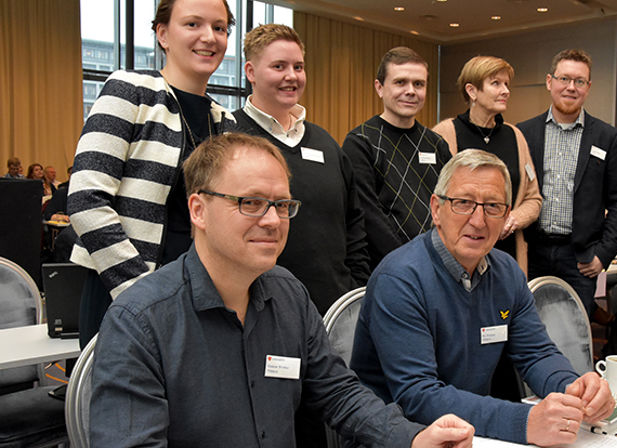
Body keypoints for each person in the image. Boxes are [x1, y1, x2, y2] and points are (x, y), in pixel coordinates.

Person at [89, 132, 475, 448]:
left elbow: (339, 393)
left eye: (282, 204)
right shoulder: (139, 322)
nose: (273, 220)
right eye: (251, 203)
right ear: (198, 210)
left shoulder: (288, 295)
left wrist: (413, 438)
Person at [350, 149, 614, 446]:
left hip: (469, 433)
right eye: (463, 203)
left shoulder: (507, 273)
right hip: (400, 438)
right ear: (436, 209)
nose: (478, 220)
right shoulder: (399, 280)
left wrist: (574, 387)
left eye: (492, 206)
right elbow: (418, 396)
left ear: (505, 217)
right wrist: (524, 422)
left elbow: (536, 353)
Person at [67, 0, 235, 348]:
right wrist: (142, 291)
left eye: (219, 28)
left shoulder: (224, 121)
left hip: (197, 298)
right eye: (193, 24)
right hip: (121, 292)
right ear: (162, 34)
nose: (209, 37)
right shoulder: (130, 92)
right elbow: (86, 199)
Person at [232, 24, 369, 313]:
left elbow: (354, 226)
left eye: (298, 66)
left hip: (331, 310)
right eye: (279, 66)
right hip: (257, 309)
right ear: (250, 72)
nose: (291, 76)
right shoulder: (228, 137)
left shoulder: (326, 144)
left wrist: (355, 291)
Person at [516, 49, 617, 313]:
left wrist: (604, 254)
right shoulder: (523, 132)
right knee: (527, 330)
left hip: (581, 259)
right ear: (549, 82)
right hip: (531, 253)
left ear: (588, 87)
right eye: (564, 79)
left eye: (579, 81)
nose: (571, 87)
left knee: (575, 334)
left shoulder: (607, 137)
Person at [342, 47, 452, 269]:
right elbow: (369, 216)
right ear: (380, 88)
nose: (411, 91)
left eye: (418, 84)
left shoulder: (436, 143)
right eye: (400, 82)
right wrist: (410, 261)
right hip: (390, 267)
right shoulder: (360, 142)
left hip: (440, 262)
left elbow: (449, 204)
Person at [432, 55, 541, 272]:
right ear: (472, 91)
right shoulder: (445, 133)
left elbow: (533, 198)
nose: (506, 91)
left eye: (507, 84)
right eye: (496, 83)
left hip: (507, 256)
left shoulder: (516, 136)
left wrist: (513, 219)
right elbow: (434, 198)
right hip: (459, 257)